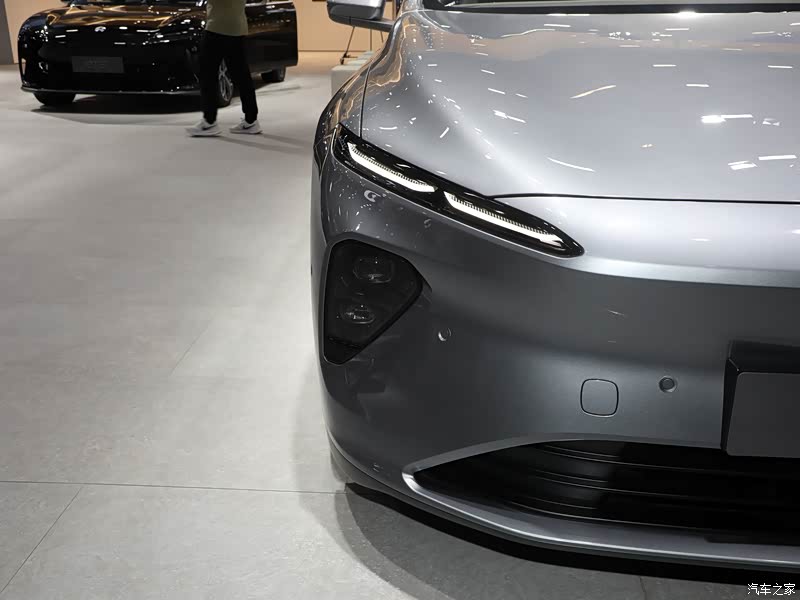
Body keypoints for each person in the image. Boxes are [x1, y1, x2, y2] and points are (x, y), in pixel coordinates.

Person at [187, 0, 262, 137]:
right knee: (241, 75)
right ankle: (251, 119)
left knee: (207, 73)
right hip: (237, 27)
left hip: (217, 27)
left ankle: (209, 122)